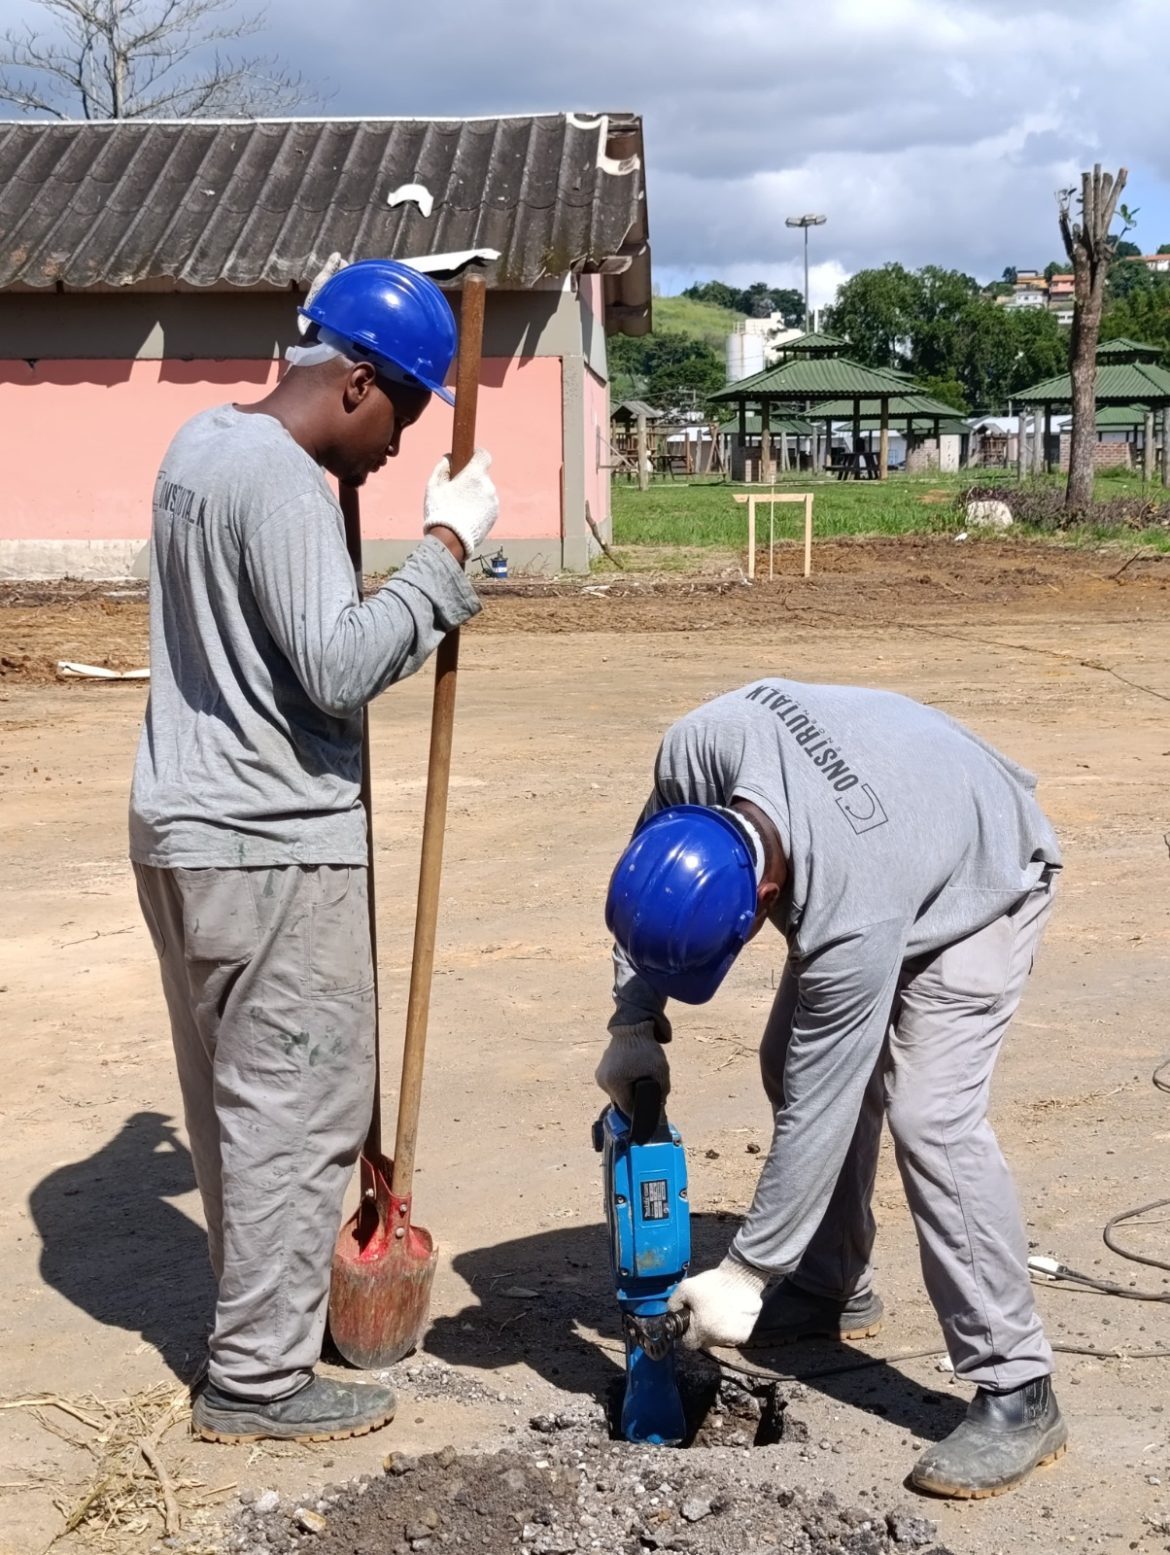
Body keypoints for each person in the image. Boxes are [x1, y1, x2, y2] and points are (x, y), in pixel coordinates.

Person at [129, 259, 498, 1445]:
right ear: (353, 384)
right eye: (403, 414)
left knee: (240, 1102)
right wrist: (446, 551)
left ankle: (259, 1333)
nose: (398, 446)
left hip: (186, 829)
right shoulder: (284, 486)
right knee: (299, 1106)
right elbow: (338, 671)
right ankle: (257, 1380)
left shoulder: (199, 443)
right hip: (271, 844)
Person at [596, 676, 1067, 1498]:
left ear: (766, 898)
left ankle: (1018, 1388)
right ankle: (830, 1285)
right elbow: (647, 873)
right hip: (903, 817)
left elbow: (826, 1100)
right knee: (786, 1056)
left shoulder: (848, 912)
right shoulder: (696, 750)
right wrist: (633, 1018)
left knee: (931, 1116)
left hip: (984, 872)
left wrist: (747, 1270)